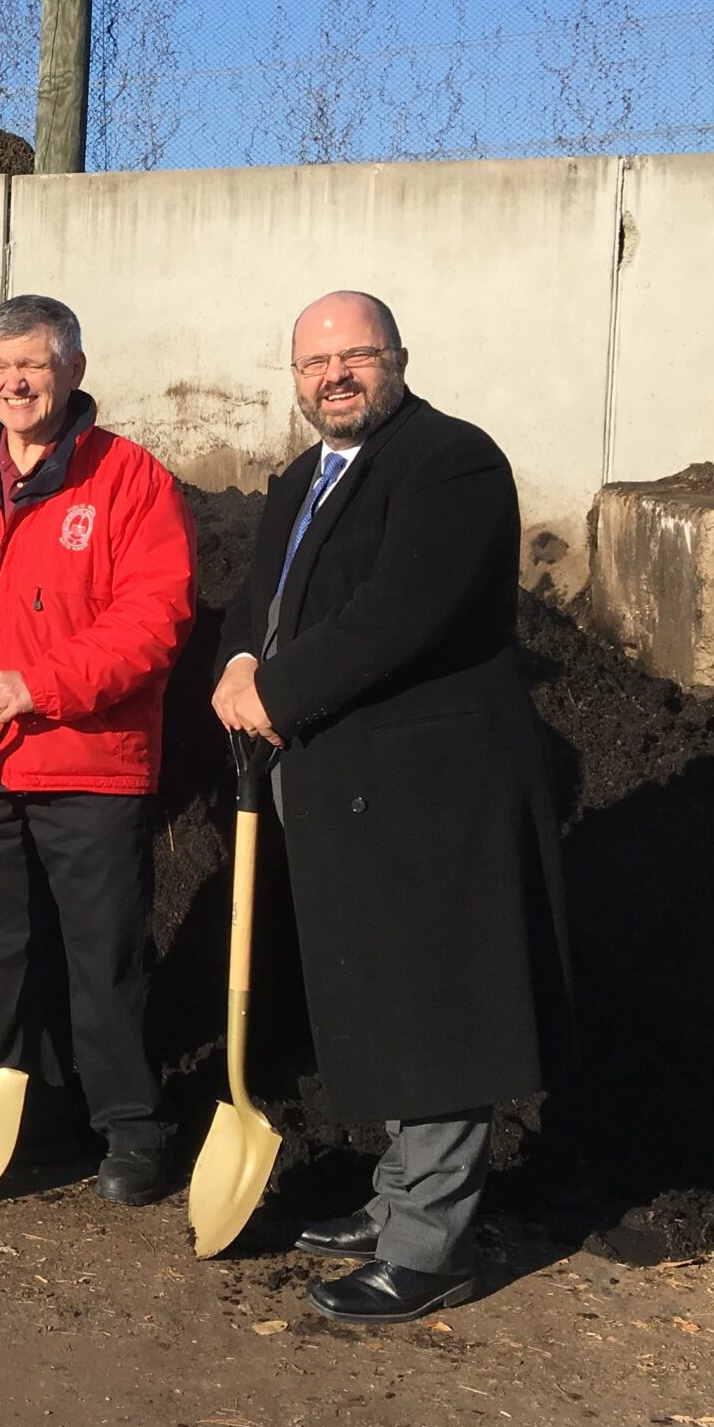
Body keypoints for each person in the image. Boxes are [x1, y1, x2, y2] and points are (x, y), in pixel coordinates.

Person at [213, 290, 571, 1324]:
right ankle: (399, 1195)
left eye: (356, 357)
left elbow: (397, 615)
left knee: (436, 1002)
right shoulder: (302, 479)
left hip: (425, 785)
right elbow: (259, 602)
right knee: (380, 994)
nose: (335, 376)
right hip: (330, 779)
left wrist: (270, 693)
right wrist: (238, 657)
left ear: (397, 360)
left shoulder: (450, 464)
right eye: (315, 363)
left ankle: (432, 1249)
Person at [0, 294, 197, 1203]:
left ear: (74, 372)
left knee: (105, 956)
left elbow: (155, 617)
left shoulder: (131, 481)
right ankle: (25, 1120)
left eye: (34, 365)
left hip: (90, 763)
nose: (15, 383)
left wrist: (40, 684)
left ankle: (131, 1130)